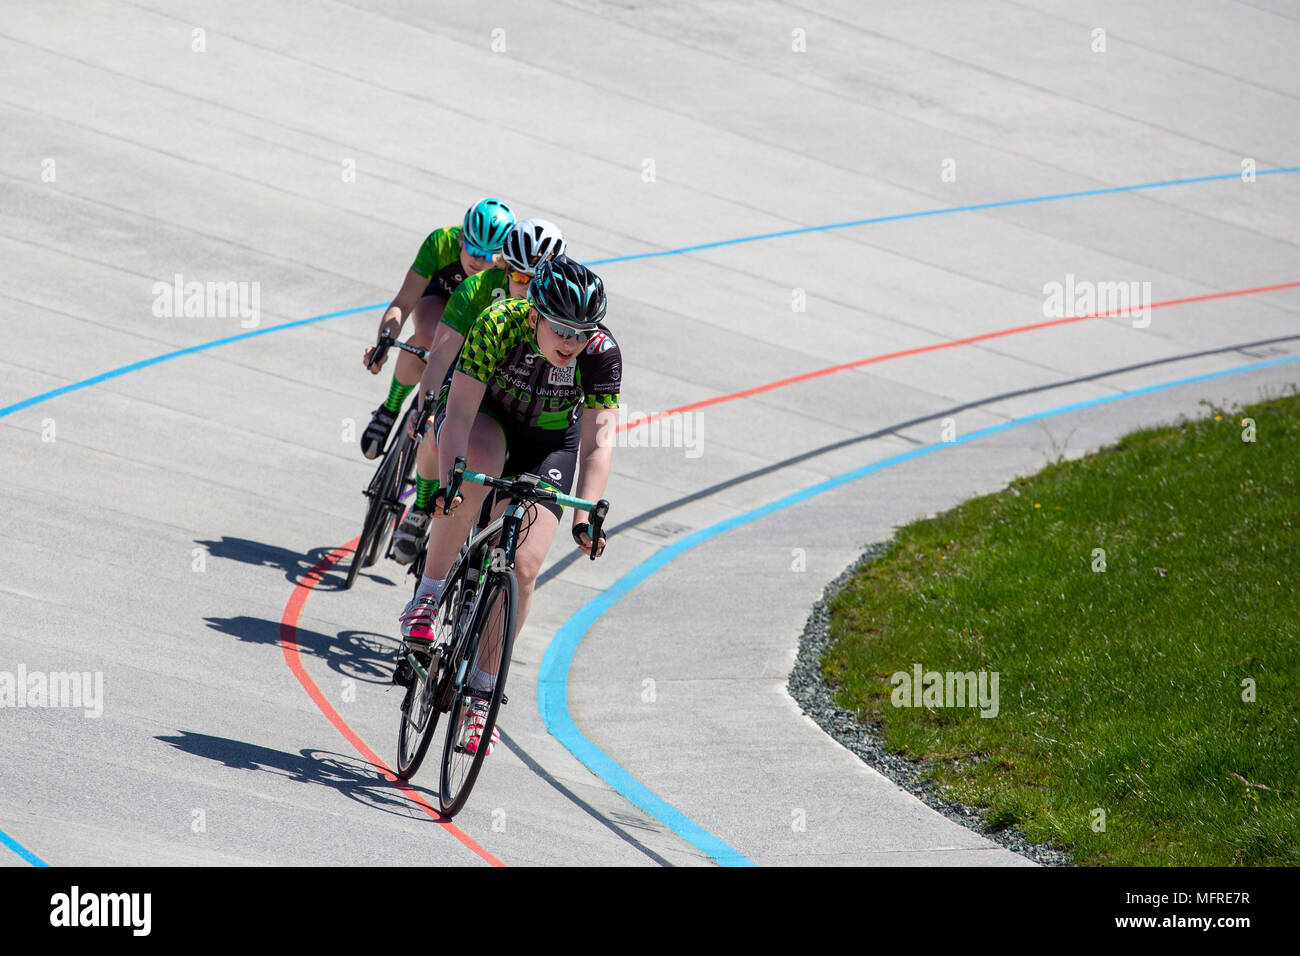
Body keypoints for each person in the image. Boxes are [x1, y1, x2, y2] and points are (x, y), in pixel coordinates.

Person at [397, 255, 620, 756]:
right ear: (535, 314)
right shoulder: (500, 323)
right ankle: (428, 597)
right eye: (561, 328)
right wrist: (454, 474)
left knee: (522, 565)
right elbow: (457, 412)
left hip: (549, 445)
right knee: (474, 473)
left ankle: (481, 693)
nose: (571, 342)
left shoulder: (601, 354)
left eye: (582, 332)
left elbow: (598, 443)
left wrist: (585, 513)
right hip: (486, 417)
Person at [389, 218, 567, 563]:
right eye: (517, 276)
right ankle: (424, 506)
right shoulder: (476, 288)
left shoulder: (557, 310)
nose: (524, 287)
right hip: (472, 373)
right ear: (505, 267)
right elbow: (440, 357)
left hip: (520, 395)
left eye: (534, 280)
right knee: (434, 430)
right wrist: (425, 406)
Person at [359, 197, 515, 459]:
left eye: (489, 257)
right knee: (428, 338)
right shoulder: (441, 242)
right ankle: (390, 408)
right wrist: (384, 343)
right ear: (461, 239)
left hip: (476, 321)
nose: (479, 261)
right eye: (474, 251)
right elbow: (404, 301)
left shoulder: (504, 276)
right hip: (439, 304)